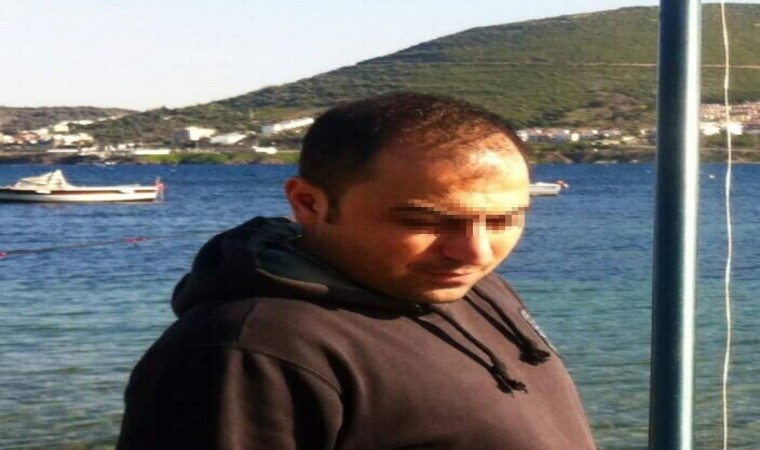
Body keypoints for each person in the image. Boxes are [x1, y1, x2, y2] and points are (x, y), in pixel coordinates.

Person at [117, 92, 596, 449]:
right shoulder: (247, 353)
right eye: (425, 221)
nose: (475, 252)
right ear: (309, 203)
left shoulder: (473, 287)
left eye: (504, 220)